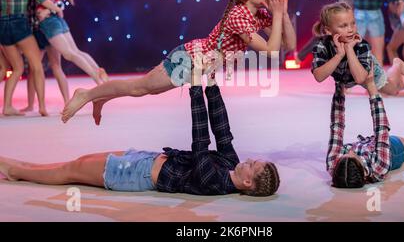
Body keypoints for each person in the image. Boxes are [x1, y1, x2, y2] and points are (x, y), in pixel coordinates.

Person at [60, 0, 297, 123]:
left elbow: (288, 44)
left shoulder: (259, 14)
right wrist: (277, 15)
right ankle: (87, 94)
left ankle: (100, 97)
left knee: (142, 89)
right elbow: (271, 51)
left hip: (197, 65)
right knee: (139, 88)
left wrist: (283, 15)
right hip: (189, 59)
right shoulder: (238, 15)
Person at [0, 81, 280, 197]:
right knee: (76, 163)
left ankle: (17, 171)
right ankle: (22, 167)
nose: (249, 159)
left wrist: (195, 89)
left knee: (73, 170)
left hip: (136, 174)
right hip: (147, 158)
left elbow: (200, 143)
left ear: (247, 182)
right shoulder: (231, 164)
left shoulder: (215, 182)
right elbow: (222, 130)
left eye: (253, 165)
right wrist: (212, 85)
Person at [327, 66, 404, 188]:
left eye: (345, 154)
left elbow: (336, 126)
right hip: (392, 150)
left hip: (369, 143)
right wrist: (371, 86)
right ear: (362, 168)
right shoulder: (379, 167)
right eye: (352, 154)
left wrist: (339, 86)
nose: (350, 150)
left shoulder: (333, 165)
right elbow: (381, 127)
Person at [12, 0, 109, 85]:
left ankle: (97, 78)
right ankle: (98, 70)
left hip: (49, 23)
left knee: (69, 54)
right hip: (60, 22)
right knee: (77, 51)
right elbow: (60, 3)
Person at [311, 2, 404, 96]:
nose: (351, 29)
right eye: (343, 26)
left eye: (353, 23)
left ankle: (397, 65)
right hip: (352, 76)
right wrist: (339, 56)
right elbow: (319, 77)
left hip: (368, 74)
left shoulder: (361, 45)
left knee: (392, 90)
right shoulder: (322, 45)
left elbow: (361, 78)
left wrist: (349, 49)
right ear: (328, 30)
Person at [0, 0, 63, 116]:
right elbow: (44, 0)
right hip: (19, 25)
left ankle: (7, 107)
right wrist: (57, 9)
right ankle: (41, 106)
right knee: (37, 66)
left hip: (2, 26)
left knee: (17, 69)